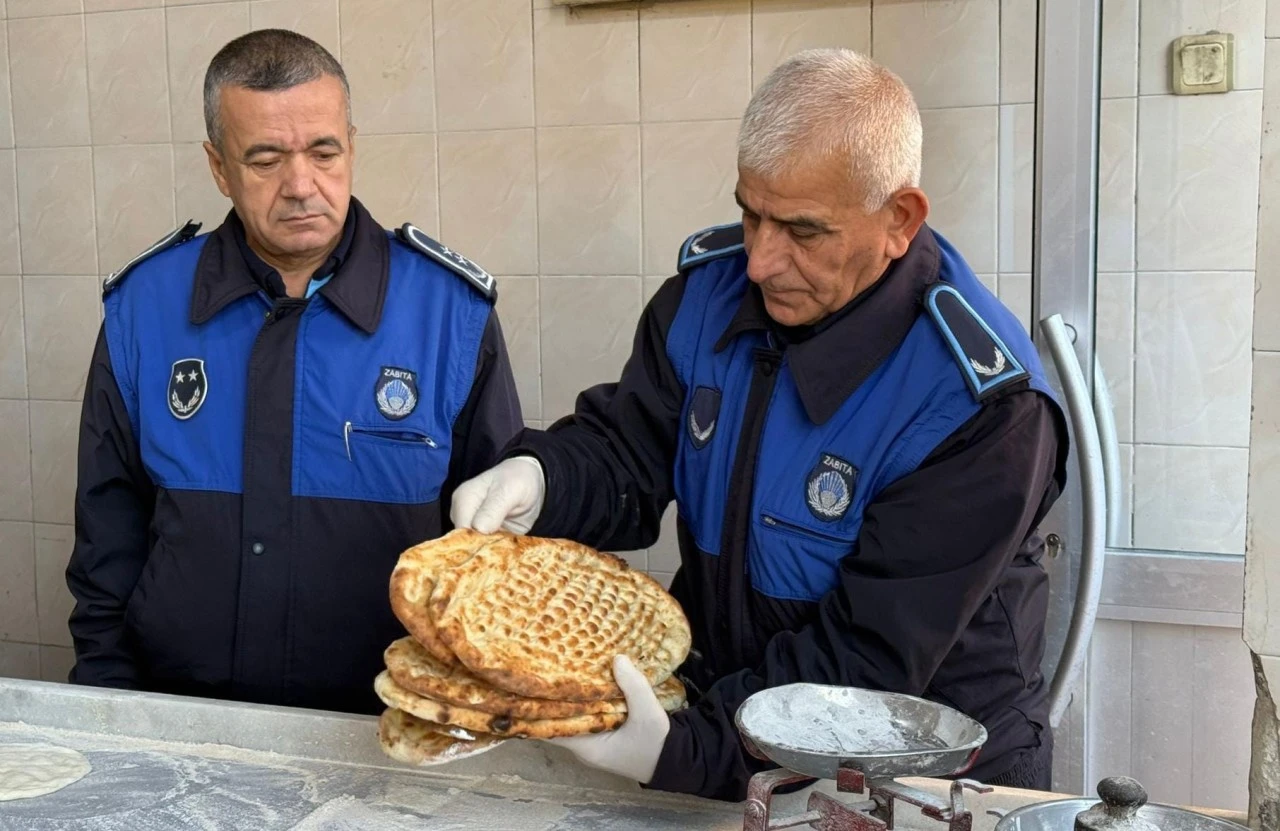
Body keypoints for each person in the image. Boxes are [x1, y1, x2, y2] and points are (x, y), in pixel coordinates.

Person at [450, 48, 1069, 798]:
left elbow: (866, 665)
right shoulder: (703, 301)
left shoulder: (977, 405)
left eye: (804, 232)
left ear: (898, 219)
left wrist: (682, 749)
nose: (761, 261)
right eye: (751, 213)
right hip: (734, 731)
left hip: (928, 784)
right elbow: (628, 451)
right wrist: (544, 475)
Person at [66, 30, 522, 715]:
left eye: (323, 152)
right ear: (219, 168)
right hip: (179, 713)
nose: (301, 185)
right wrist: (107, 714)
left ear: (352, 145)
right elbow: (107, 540)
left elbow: (498, 565)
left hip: (390, 727)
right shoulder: (145, 309)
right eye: (266, 159)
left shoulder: (449, 314)